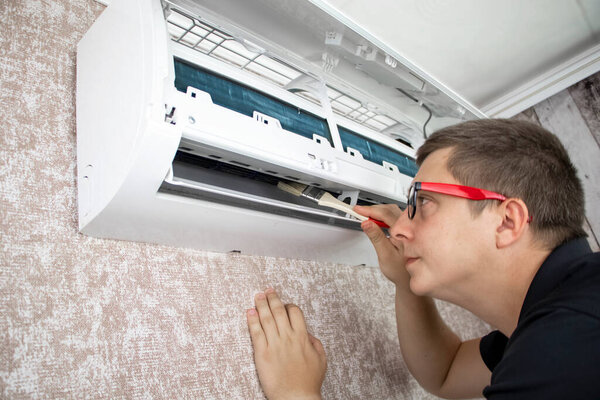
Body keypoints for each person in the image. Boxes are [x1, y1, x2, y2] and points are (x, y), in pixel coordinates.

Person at [245, 119, 600, 399]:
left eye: (424, 203)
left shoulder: (564, 350)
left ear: (507, 221)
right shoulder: (555, 315)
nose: (399, 228)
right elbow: (446, 372)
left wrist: (296, 393)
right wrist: (408, 281)